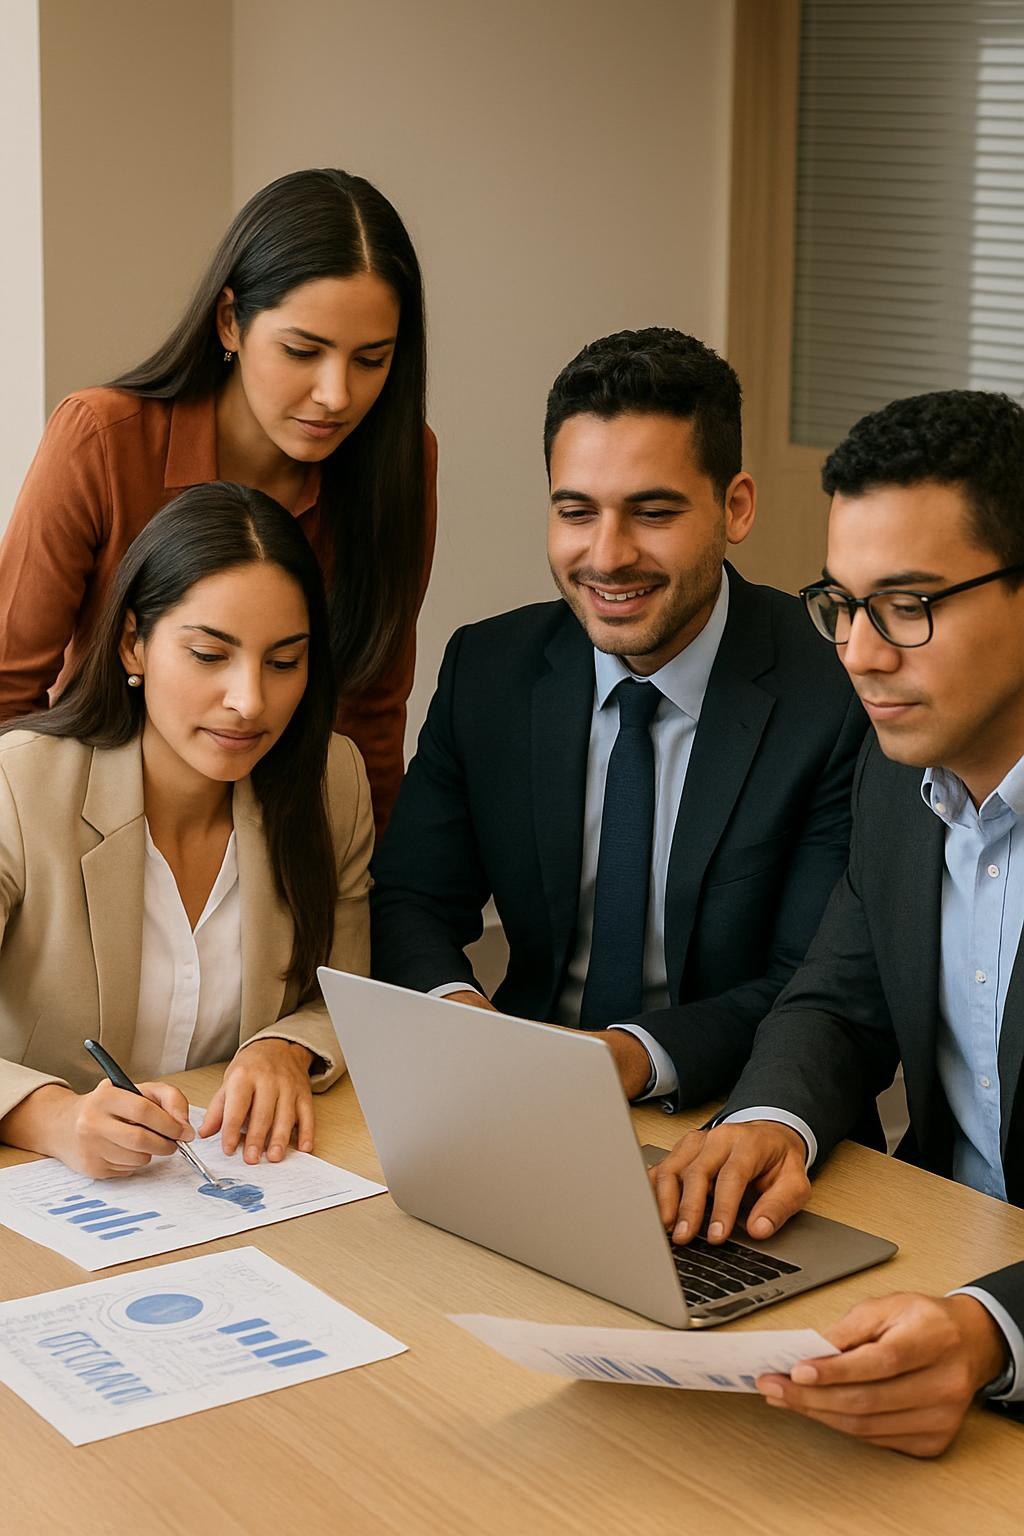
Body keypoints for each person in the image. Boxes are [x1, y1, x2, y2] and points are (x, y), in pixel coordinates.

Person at [653, 389, 1024, 1457]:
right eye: (842, 605)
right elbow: (834, 997)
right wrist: (773, 1117)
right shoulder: (896, 776)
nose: (858, 653)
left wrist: (993, 1331)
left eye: (906, 604)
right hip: (934, 1259)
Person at [371, 329, 866, 1106]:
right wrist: (464, 1022)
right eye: (576, 511)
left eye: (652, 512)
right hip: (521, 1096)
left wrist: (628, 1059)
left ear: (735, 508)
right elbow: (410, 900)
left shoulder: (835, 692)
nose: (607, 555)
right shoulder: (487, 671)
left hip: (736, 1106)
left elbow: (815, 983)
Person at [0, 167, 435, 834]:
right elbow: (8, 688)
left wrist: (369, 897)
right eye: (302, 350)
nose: (336, 395)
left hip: (286, 838)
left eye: (370, 360)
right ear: (230, 321)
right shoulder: (102, 440)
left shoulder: (400, 461)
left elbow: (372, 713)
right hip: (91, 829)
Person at [0, 482, 372, 1180]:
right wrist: (52, 1117)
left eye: (284, 661)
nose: (249, 701)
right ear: (133, 644)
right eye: (209, 655)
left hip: (231, 1185)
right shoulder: (19, 787)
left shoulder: (330, 783)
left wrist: (282, 1047)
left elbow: (346, 989)